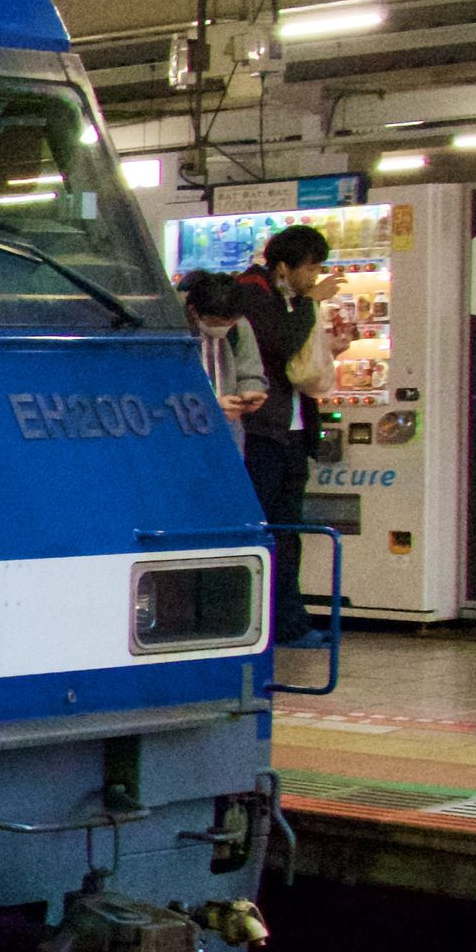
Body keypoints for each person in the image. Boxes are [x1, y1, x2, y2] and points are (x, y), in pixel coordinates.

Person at [226, 226, 341, 644]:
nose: (314, 277)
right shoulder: (252, 293)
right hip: (261, 433)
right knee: (270, 529)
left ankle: (290, 621)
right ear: (283, 267)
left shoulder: (286, 298)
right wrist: (310, 303)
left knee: (288, 531)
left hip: (291, 432)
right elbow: (279, 345)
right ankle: (269, 623)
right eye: (310, 268)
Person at [181, 270, 268, 421]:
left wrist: (249, 391)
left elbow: (251, 372)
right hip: (185, 425)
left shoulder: (239, 326)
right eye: (217, 323)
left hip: (229, 426)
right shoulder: (173, 330)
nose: (225, 327)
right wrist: (209, 405)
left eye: (231, 322)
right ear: (193, 311)